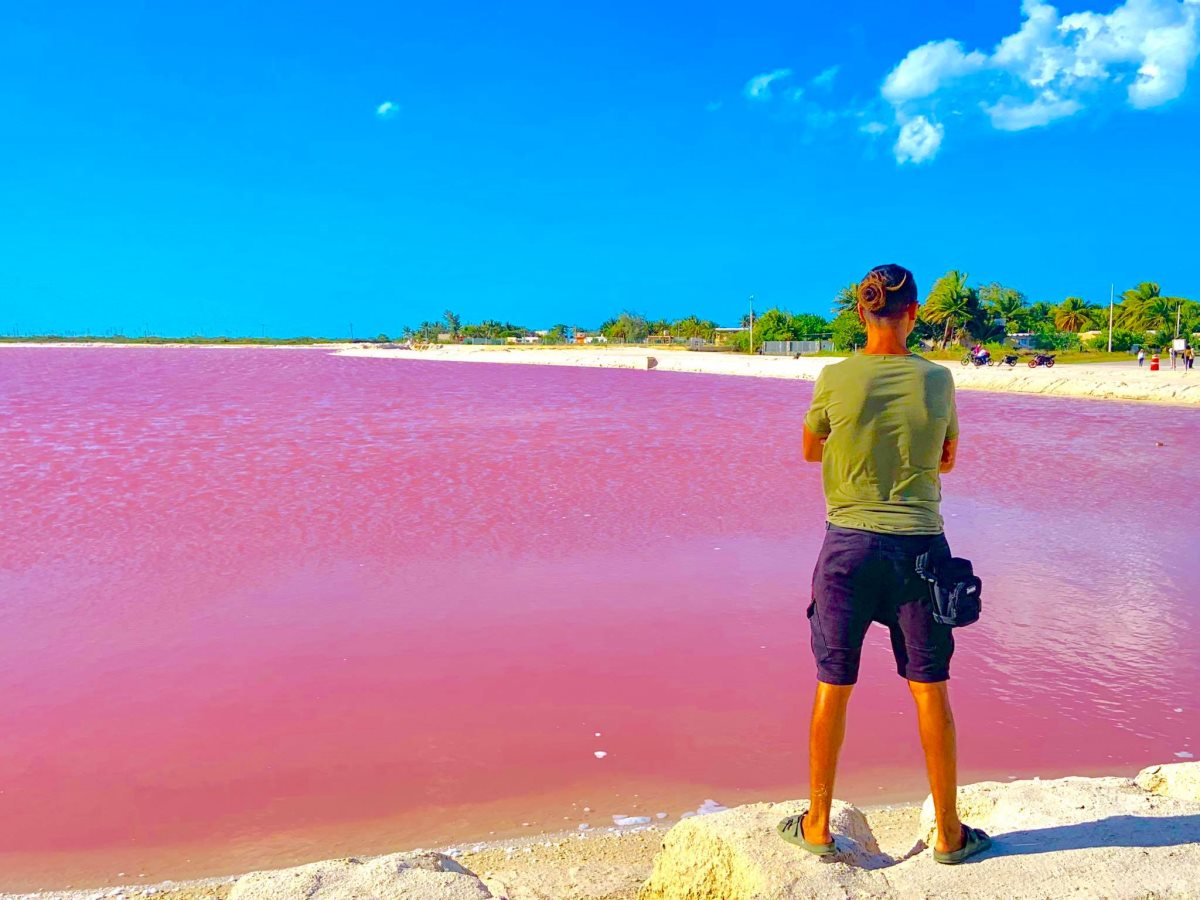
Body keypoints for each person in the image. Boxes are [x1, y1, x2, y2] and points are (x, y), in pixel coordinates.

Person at [778, 263, 991, 865]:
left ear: (860, 314)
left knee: (833, 682)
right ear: (915, 313)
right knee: (930, 689)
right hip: (921, 548)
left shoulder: (835, 376)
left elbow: (808, 448)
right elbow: (946, 460)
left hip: (846, 547)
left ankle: (816, 821)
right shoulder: (937, 381)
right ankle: (948, 834)